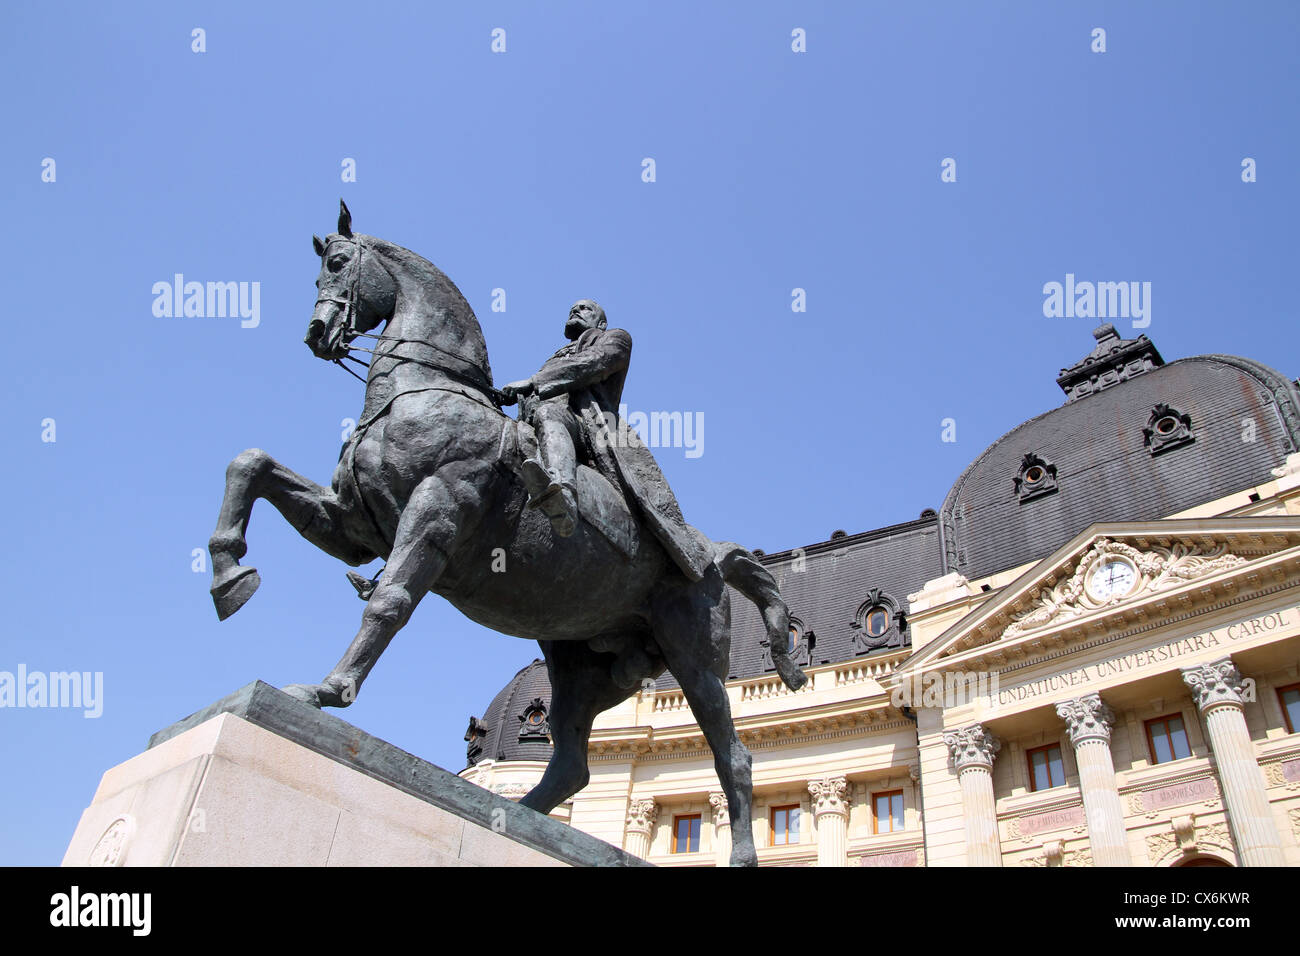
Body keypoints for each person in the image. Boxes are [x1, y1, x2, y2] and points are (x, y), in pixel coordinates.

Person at [500, 299, 629, 536]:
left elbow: (594, 363)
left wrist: (533, 382)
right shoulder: (557, 354)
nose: (575, 310)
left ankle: (564, 496)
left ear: (601, 322)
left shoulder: (616, 338)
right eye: (572, 309)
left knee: (550, 413)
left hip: (583, 426)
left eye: (584, 308)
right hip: (534, 421)